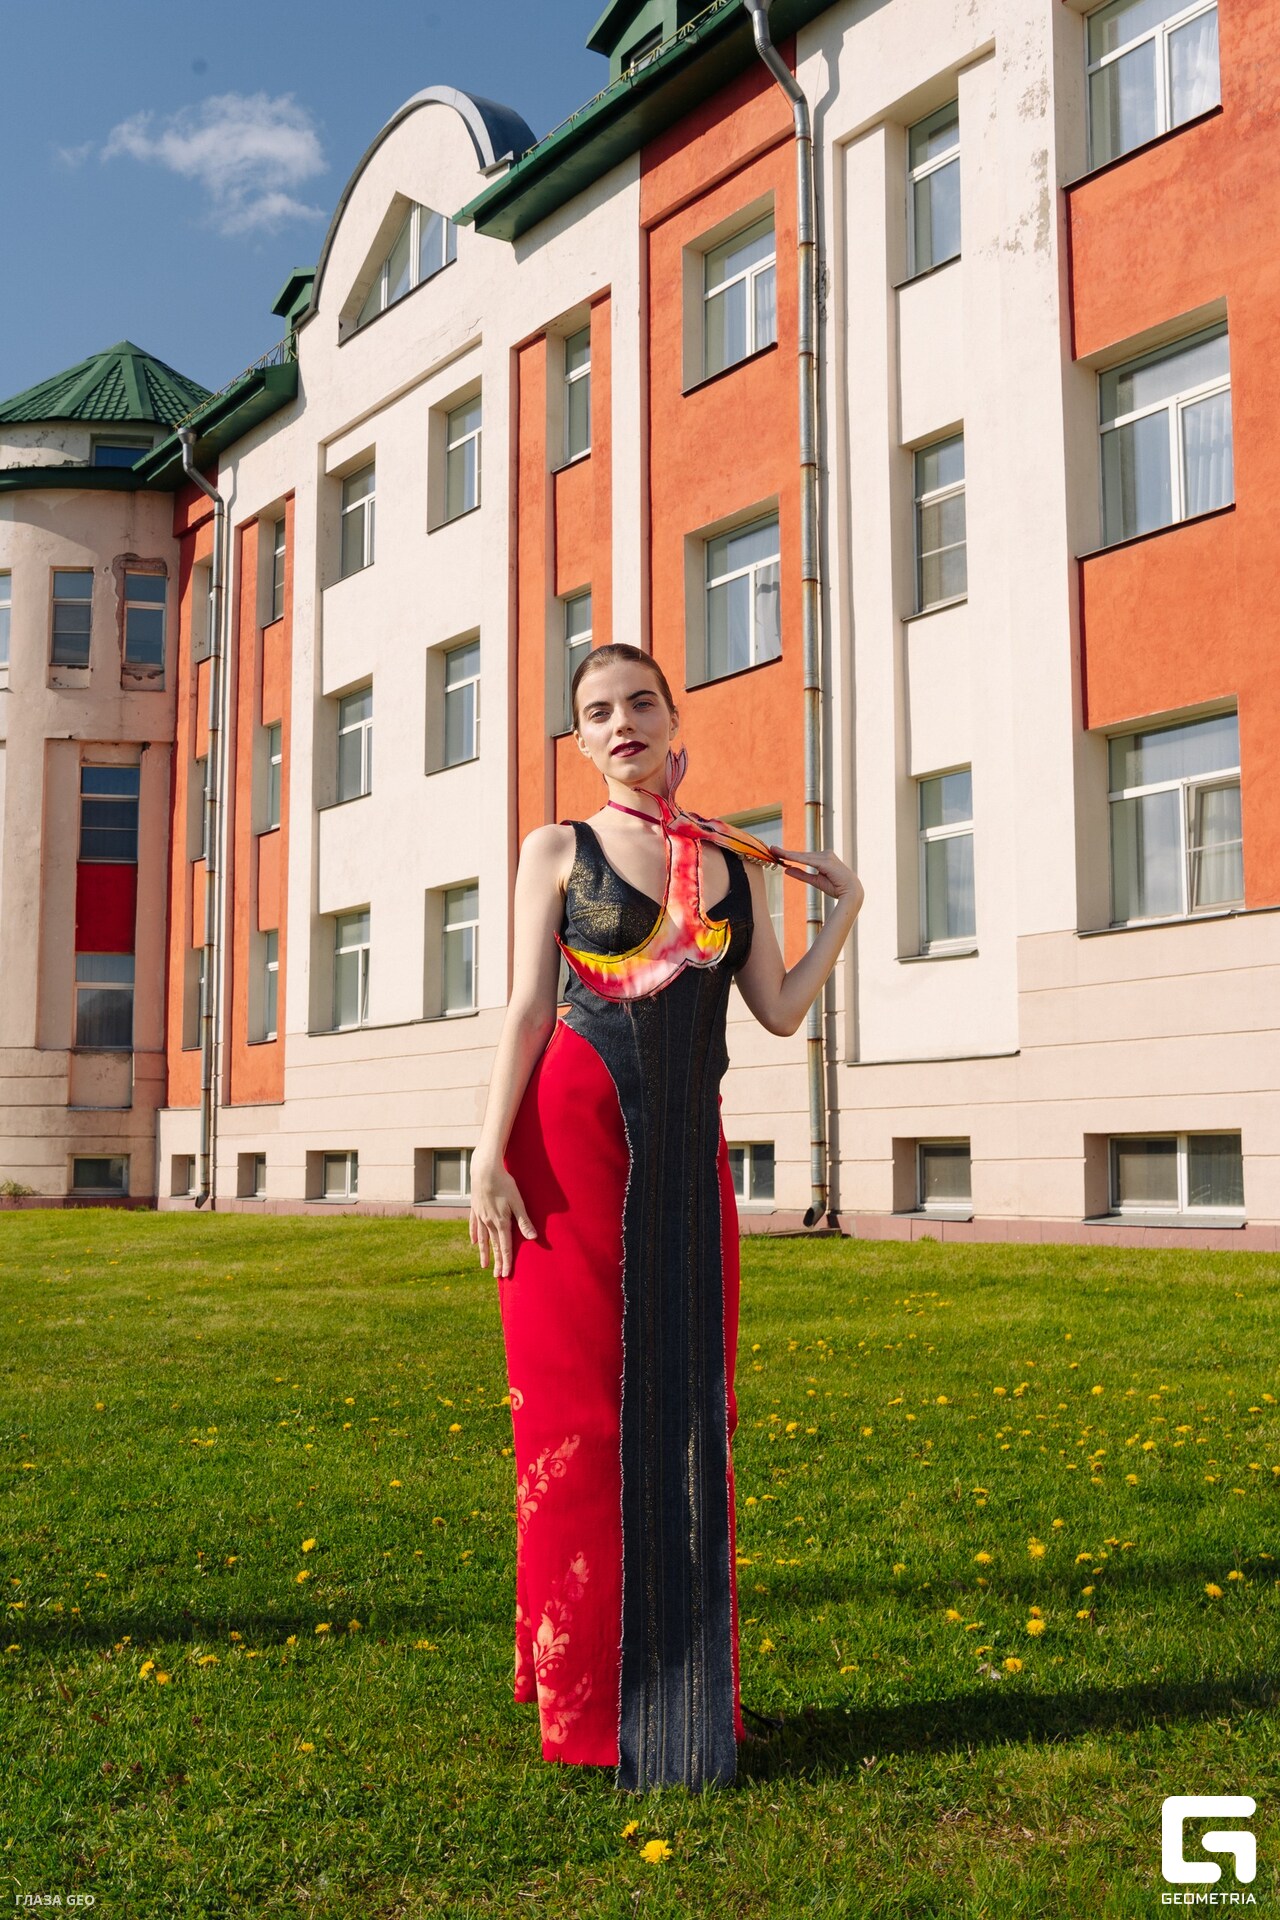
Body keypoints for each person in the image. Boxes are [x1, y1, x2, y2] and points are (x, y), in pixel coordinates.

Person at [468, 642, 863, 1792]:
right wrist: (485, 1156)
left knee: (691, 1417)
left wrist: (845, 909)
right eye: (597, 710)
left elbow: (777, 1012)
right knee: (575, 1422)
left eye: (639, 701)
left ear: (672, 719)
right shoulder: (556, 851)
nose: (620, 721)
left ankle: (688, 1695)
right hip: (562, 1159)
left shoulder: (732, 865)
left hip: (685, 1159)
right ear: (580, 738)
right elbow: (526, 1011)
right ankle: (585, 1701)